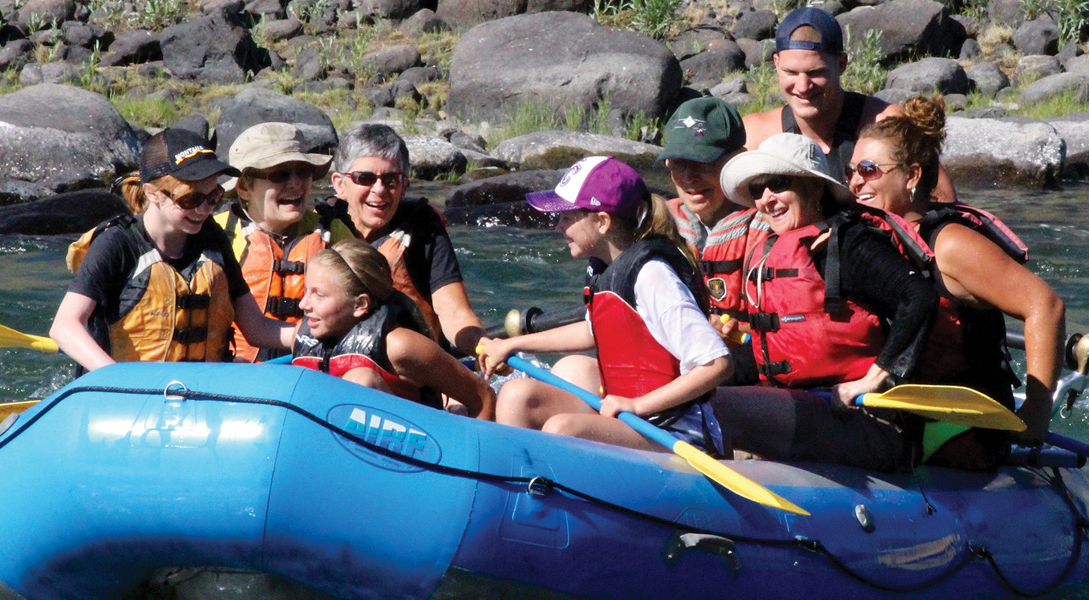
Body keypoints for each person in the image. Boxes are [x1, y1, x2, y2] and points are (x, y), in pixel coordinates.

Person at [849, 95, 1065, 468]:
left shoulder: (949, 244)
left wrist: (1035, 412)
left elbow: (1045, 306)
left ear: (913, 175)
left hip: (959, 426)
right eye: (850, 171)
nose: (855, 183)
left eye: (868, 170)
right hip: (897, 410)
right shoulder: (869, 238)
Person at [705, 133, 940, 472]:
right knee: (696, 397)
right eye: (758, 190)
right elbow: (763, 353)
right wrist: (701, 374)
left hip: (869, 422)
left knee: (716, 409)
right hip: (806, 406)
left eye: (779, 183)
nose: (767, 199)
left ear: (814, 188)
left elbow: (918, 296)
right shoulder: (776, 250)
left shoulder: (848, 244)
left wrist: (875, 378)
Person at [478, 156, 732, 454]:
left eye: (567, 217)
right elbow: (592, 330)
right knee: (516, 395)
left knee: (563, 429)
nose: (559, 227)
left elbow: (716, 364)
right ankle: (515, 483)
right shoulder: (605, 269)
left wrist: (637, 405)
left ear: (601, 222)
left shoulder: (652, 276)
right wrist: (514, 344)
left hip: (674, 430)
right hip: (631, 418)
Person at [52, 129, 297, 372]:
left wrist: (311, 336)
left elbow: (256, 328)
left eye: (213, 197)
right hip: (128, 399)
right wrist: (118, 380)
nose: (204, 209)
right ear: (152, 193)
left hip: (199, 394)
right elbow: (64, 327)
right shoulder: (117, 244)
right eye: (190, 199)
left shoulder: (213, 241)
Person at [739, 6, 957, 202]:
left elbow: (944, 200)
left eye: (816, 73)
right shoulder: (754, 135)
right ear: (776, 64)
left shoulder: (886, 124)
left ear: (841, 64)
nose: (803, 86)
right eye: (791, 72)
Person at [292, 239, 495, 420]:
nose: (303, 305)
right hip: (330, 447)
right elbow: (262, 331)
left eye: (319, 295)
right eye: (306, 291)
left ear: (360, 305)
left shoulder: (400, 346)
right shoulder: (302, 337)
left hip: (414, 453)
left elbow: (482, 397)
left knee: (361, 380)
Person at [330, 123, 484, 355]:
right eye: (365, 178)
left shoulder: (423, 230)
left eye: (391, 179)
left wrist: (482, 347)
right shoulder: (319, 231)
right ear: (340, 185)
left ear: (404, 186)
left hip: (413, 368)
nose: (379, 189)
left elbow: (455, 313)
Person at [212, 122, 355, 362]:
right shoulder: (217, 234)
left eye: (303, 172)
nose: (296, 183)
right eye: (279, 174)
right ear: (245, 187)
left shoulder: (334, 233)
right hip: (238, 374)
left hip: (314, 369)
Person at [659, 96, 772, 372]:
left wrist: (733, 329)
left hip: (746, 371)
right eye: (678, 163)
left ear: (738, 160)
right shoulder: (659, 224)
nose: (688, 177)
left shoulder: (769, 225)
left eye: (702, 162)